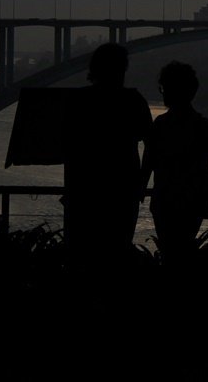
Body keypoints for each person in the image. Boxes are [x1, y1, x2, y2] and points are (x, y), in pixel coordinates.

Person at [61, 43, 152, 280]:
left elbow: (65, 145)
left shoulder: (78, 100)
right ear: (122, 69)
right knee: (116, 257)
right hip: (123, 191)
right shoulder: (134, 101)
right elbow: (152, 145)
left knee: (82, 259)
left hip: (83, 191)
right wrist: (142, 181)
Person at [140, 61, 208, 266]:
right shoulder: (202, 125)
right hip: (194, 200)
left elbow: (148, 162)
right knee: (182, 252)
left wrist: (140, 188)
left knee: (170, 253)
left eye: (164, 88)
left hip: (165, 199)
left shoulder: (161, 124)